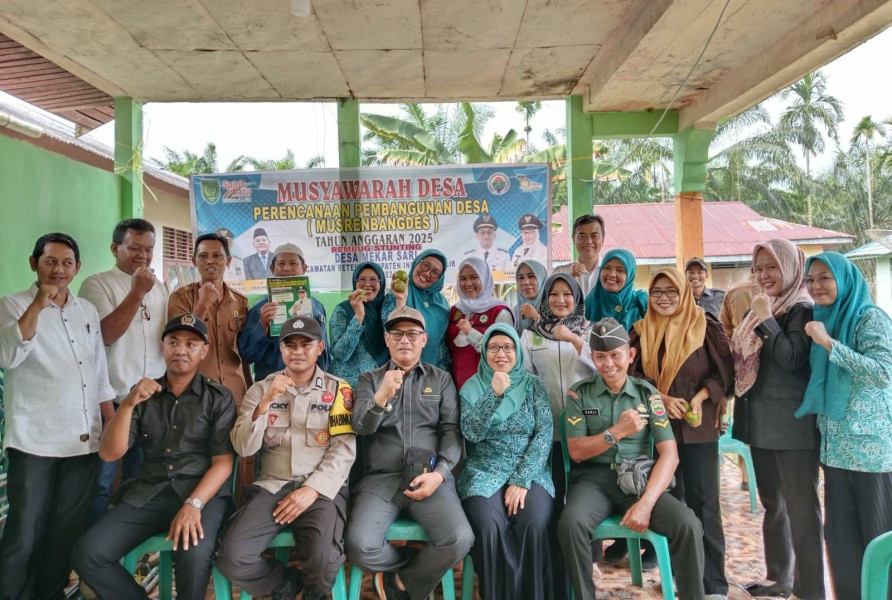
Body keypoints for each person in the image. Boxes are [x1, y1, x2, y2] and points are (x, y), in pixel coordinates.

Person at [72, 313, 236, 600]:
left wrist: (193, 504)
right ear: (162, 347)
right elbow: (110, 453)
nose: (181, 350)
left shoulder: (218, 397)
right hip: (150, 492)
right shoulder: (144, 395)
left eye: (191, 344)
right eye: (173, 342)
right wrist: (127, 405)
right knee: (88, 553)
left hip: (202, 495)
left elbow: (223, 462)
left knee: (193, 556)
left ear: (204, 351)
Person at [0, 233, 115, 600]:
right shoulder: (11, 305)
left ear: (77, 268)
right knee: (24, 531)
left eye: (67, 263)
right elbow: (7, 356)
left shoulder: (86, 311)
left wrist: (108, 420)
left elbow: (97, 372)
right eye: (50, 261)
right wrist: (38, 303)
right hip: (34, 440)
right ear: (34, 264)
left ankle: (48, 593)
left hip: (81, 440)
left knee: (65, 530)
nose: (59, 270)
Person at [557, 318, 705, 600]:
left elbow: (669, 455)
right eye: (600, 357)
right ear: (592, 357)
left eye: (616, 355)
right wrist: (616, 432)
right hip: (594, 481)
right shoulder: (580, 394)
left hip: (638, 480)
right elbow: (576, 451)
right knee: (570, 523)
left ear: (630, 355)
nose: (609, 364)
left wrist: (646, 504)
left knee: (687, 523)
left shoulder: (647, 395)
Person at [216, 316, 355, 600]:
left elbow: (343, 448)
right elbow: (243, 448)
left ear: (320, 348)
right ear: (281, 350)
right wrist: (265, 403)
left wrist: (311, 489)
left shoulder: (339, 390)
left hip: (321, 490)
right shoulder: (260, 389)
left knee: (324, 559)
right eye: (290, 344)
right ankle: (284, 581)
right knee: (231, 557)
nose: (298, 351)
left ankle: (316, 592)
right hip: (272, 487)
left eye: (306, 344)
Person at [346, 306, 474, 600]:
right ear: (387, 339)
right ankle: (416, 565)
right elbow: (361, 428)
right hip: (381, 481)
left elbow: (451, 432)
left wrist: (440, 475)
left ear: (424, 339)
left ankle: (398, 584)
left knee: (459, 539)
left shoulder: (440, 379)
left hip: (429, 478)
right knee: (359, 545)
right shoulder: (369, 379)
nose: (405, 340)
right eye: (397, 333)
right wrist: (381, 397)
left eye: (412, 333)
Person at [629, 267, 734, 599]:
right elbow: (630, 378)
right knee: (672, 505)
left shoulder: (705, 326)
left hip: (697, 427)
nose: (663, 299)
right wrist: (660, 397)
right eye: (657, 292)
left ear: (684, 292)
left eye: (671, 291)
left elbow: (725, 374)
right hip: (657, 432)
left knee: (705, 504)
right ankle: (678, 577)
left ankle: (713, 583)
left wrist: (703, 397)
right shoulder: (640, 332)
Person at [731, 239, 824, 600]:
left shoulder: (802, 310)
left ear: (790, 267)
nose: (764, 275)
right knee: (774, 506)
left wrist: (767, 318)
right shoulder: (757, 310)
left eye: (772, 267)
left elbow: (791, 358)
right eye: (758, 268)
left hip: (793, 427)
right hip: (761, 423)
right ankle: (780, 578)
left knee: (802, 511)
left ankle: (811, 589)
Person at [799, 252, 892, 600]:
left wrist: (828, 344)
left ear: (844, 279)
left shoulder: (869, 318)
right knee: (841, 542)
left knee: (878, 540)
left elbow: (883, 372)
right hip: (836, 452)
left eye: (825, 277)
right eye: (811, 280)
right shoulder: (827, 318)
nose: (816, 286)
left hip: (872, 455)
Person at [458, 324, 560, 599]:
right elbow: (471, 434)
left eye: (508, 347)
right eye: (493, 347)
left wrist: (521, 479)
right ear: (484, 352)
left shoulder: (533, 385)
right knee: (489, 525)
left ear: (517, 350)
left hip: (529, 470)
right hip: (483, 470)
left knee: (533, 521)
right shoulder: (471, 387)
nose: (500, 353)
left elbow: (543, 435)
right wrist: (493, 394)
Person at [79, 218, 169, 522]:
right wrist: (137, 292)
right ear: (115, 248)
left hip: (152, 399)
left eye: (149, 249)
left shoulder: (160, 287)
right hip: (114, 399)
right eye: (135, 248)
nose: (143, 255)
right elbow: (106, 335)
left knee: (140, 477)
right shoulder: (96, 284)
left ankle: (126, 544)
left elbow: (164, 340)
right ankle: (90, 549)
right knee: (102, 481)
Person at [520, 273, 596, 503]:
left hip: (587, 428)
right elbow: (526, 380)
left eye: (567, 294)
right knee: (553, 491)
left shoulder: (591, 331)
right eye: (553, 294)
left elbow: (606, 368)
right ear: (545, 298)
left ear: (577, 297)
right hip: (547, 428)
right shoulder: (531, 334)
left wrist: (574, 340)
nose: (560, 299)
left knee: (584, 494)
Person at [168, 232, 251, 404]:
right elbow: (182, 341)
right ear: (194, 261)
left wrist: (249, 388)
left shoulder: (240, 302)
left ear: (228, 260)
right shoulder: (181, 298)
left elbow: (243, 352)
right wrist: (203, 303)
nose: (210, 261)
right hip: (195, 394)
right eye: (203, 256)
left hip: (234, 393)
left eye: (217, 256)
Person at [238, 243, 330, 380]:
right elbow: (247, 355)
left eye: (293, 264)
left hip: (309, 387)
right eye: (281, 264)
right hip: (271, 386)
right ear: (272, 269)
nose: (287, 268)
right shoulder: (260, 309)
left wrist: (320, 381)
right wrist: (262, 326)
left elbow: (323, 353)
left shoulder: (316, 306)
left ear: (304, 268)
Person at [447, 257, 513, 389]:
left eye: (474, 277)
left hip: (488, 386)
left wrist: (470, 332)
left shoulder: (499, 311)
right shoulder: (454, 311)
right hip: (456, 385)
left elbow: (504, 352)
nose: (468, 283)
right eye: (463, 278)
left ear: (485, 278)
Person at [381, 249, 451, 371]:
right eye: (425, 265)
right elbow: (390, 332)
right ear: (417, 262)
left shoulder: (442, 302)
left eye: (435, 272)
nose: (427, 273)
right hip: (403, 370)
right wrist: (401, 301)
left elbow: (442, 342)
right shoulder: (397, 293)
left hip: (436, 371)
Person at [329, 261, 389, 388]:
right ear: (355, 282)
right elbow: (340, 355)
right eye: (362, 279)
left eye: (373, 279)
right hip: (346, 389)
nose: (367, 284)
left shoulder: (388, 309)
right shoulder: (343, 309)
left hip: (380, 386)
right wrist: (358, 317)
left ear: (381, 283)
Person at [584, 248, 648, 328]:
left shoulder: (641, 305)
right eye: (607, 268)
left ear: (630, 275)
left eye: (620, 270)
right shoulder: (590, 302)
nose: (612, 274)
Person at [554, 214, 605, 296]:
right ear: (573, 239)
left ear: (603, 239)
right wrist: (569, 277)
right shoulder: (560, 272)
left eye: (594, 236)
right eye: (582, 236)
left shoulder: (610, 273)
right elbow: (551, 303)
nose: (588, 241)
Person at [513, 259, 546, 335]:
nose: (525, 282)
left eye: (531, 276)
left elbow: (559, 339)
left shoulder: (554, 309)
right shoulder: (514, 312)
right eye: (521, 278)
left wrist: (536, 317)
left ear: (541, 278)